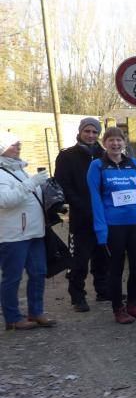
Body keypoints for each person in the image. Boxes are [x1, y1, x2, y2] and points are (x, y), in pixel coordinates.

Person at [87, 127, 136, 324]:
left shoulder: (134, 164)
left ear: (124, 142)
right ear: (104, 143)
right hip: (113, 226)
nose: (115, 144)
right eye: (111, 140)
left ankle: (132, 304)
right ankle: (118, 309)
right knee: (116, 268)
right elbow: (95, 200)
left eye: (119, 140)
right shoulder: (97, 166)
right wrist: (101, 231)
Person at [0, 132, 57, 331]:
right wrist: (32, 182)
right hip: (13, 235)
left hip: (34, 232)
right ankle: (12, 318)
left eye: (19, 143)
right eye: (13, 144)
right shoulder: (1, 173)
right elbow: (5, 200)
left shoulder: (20, 169)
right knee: (13, 277)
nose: (18, 147)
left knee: (38, 273)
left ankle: (36, 312)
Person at [54, 117, 109, 312]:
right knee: (79, 259)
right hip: (81, 216)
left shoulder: (105, 155)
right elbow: (62, 184)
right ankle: (77, 297)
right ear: (80, 132)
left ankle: (103, 290)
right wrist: (82, 205)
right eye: (87, 131)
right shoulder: (67, 156)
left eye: (95, 132)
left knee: (103, 256)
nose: (91, 135)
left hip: (104, 216)